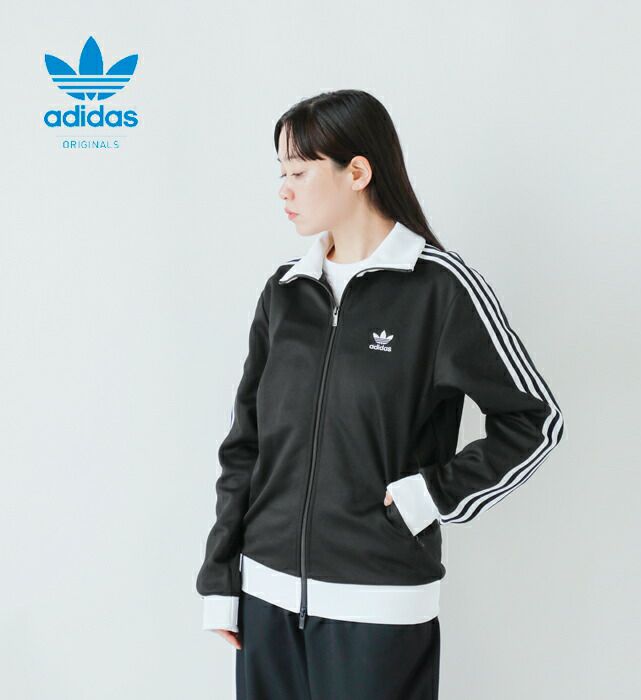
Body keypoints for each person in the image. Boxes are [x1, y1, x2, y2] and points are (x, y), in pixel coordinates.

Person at [196, 89, 565, 699]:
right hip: (265, 598)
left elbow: (535, 421)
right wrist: (219, 576)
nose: (283, 190)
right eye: (280, 174)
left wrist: (430, 496)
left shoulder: (439, 289)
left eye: (299, 172)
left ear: (358, 172)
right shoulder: (285, 292)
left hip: (377, 606)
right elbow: (246, 445)